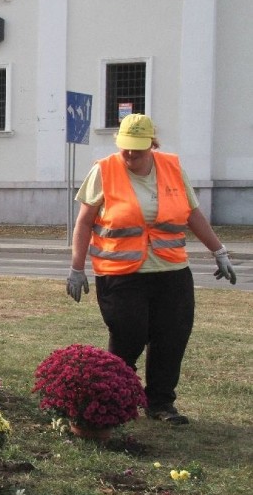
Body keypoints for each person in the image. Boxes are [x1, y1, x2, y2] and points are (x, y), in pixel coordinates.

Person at [66, 113, 237, 426]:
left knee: (171, 337)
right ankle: (115, 399)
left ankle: (160, 403)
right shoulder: (104, 170)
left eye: (138, 149)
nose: (130, 155)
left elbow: (193, 215)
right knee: (129, 334)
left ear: (152, 145)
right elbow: (85, 222)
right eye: (125, 148)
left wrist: (219, 251)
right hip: (120, 274)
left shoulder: (172, 168)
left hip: (171, 272)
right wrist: (77, 268)